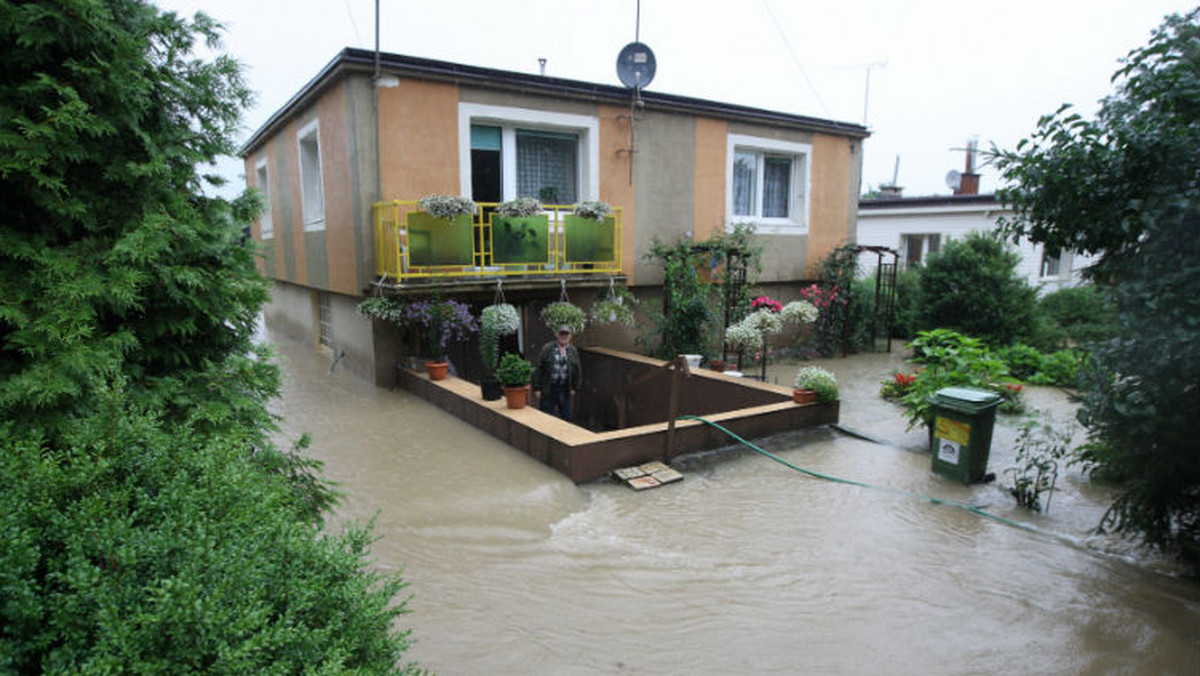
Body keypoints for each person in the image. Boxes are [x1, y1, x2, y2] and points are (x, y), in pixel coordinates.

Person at [532, 324, 582, 421]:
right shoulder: (547, 348)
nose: (564, 336)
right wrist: (536, 388)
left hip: (564, 388)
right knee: (546, 417)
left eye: (566, 334)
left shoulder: (572, 351)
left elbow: (577, 370)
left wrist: (575, 387)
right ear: (557, 334)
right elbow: (539, 368)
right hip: (548, 388)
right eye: (561, 333)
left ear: (570, 336)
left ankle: (565, 435)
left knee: (567, 417)